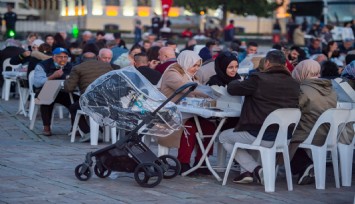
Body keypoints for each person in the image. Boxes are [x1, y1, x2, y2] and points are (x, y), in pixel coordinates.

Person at [219, 50, 299, 184]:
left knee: (223, 137)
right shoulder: (295, 83)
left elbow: (233, 89)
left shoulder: (259, 79)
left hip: (260, 134)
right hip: (285, 137)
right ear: (285, 64)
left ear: (267, 63)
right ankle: (253, 170)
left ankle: (255, 168)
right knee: (240, 137)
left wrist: (235, 80)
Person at [158, 50, 215, 175]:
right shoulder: (172, 72)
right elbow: (185, 88)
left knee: (210, 127)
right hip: (171, 113)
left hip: (189, 112)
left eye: (198, 66)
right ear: (186, 62)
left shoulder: (191, 75)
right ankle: (183, 163)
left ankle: (201, 161)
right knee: (189, 127)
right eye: (194, 65)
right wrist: (205, 93)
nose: (196, 68)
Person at [289, 59, 337, 185]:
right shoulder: (331, 90)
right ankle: (306, 166)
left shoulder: (303, 89)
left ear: (302, 72)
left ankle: (304, 165)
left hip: (308, 133)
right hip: (327, 134)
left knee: (282, 138)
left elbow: (293, 109)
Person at [64, 50, 113, 142]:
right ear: (96, 58)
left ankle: (88, 132)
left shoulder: (77, 68)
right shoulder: (107, 66)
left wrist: (66, 81)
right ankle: (100, 131)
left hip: (90, 101)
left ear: (82, 60)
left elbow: (69, 88)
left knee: (73, 108)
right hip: (107, 101)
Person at [33, 47, 78, 136]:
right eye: (60, 57)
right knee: (46, 99)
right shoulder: (42, 65)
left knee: (77, 102)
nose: (63, 59)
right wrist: (52, 76)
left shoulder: (70, 66)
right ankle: (46, 126)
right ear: (53, 57)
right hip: (45, 90)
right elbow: (37, 83)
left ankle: (75, 127)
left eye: (65, 57)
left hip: (64, 91)